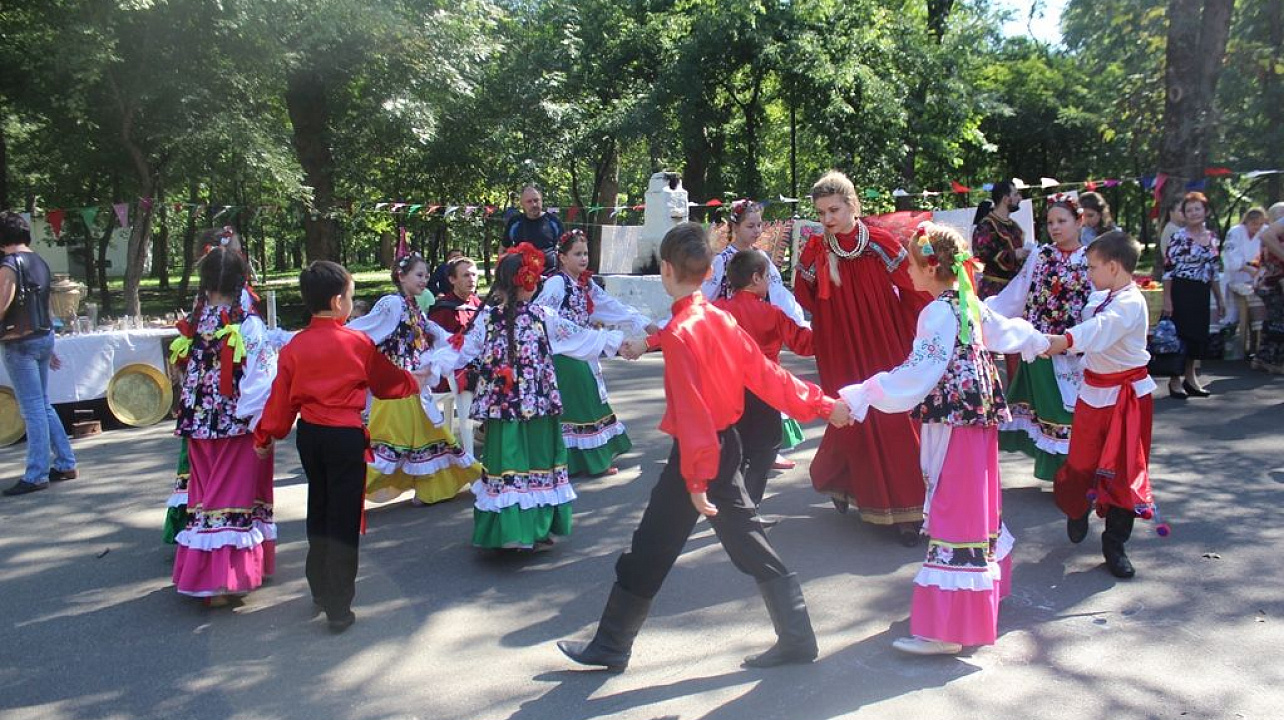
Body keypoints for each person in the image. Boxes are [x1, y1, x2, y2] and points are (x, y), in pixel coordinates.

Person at [558, 222, 851, 673]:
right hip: (714, 452)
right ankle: (613, 643)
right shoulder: (717, 318)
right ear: (709, 269)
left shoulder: (685, 329)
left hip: (703, 457)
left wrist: (696, 479)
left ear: (667, 270)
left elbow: (694, 414)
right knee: (667, 544)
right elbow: (768, 377)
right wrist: (823, 404)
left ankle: (614, 644)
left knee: (696, 544)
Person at [837, 222, 1048, 655]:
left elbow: (919, 373)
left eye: (911, 264)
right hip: (977, 422)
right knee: (976, 504)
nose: (907, 272)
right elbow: (1008, 331)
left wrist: (864, 393)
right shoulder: (968, 303)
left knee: (956, 508)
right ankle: (978, 600)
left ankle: (951, 629)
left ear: (931, 268)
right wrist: (1044, 342)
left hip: (956, 424)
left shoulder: (935, 313)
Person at [254, 261, 428, 633]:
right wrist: (414, 381)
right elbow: (386, 383)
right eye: (351, 296)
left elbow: (280, 401)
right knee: (344, 516)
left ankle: (319, 587)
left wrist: (266, 436)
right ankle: (339, 604)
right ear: (337, 302)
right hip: (345, 437)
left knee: (319, 505)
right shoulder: (355, 342)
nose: (353, 303)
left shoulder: (295, 346)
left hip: (312, 436)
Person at [427, 243, 626, 551]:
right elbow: (580, 338)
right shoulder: (505, 317)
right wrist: (430, 366)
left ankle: (520, 530)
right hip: (527, 407)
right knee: (531, 462)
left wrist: (617, 341)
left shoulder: (524, 316)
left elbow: (579, 337)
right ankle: (522, 530)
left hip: (526, 407)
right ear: (526, 281)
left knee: (517, 462)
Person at [793, 170, 930, 544]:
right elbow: (804, 297)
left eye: (834, 210)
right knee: (850, 416)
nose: (827, 220)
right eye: (821, 213)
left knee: (892, 418)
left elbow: (915, 288)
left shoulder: (881, 243)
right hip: (839, 347)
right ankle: (852, 486)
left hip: (883, 344)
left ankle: (907, 510)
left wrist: (925, 333)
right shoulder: (816, 249)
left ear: (853, 205)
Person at [1045, 231, 1163, 579]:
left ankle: (1115, 543)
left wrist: (1063, 341)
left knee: (1125, 469)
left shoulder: (1129, 304)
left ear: (1113, 267)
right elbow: (1094, 327)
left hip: (1128, 397)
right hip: (1094, 394)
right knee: (1081, 461)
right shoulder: (1102, 297)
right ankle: (1076, 507)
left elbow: (1099, 330)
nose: (1089, 273)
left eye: (1093, 267)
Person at [169, 246, 279, 606]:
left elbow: (184, 370)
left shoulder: (196, 319)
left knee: (204, 495)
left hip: (198, 421)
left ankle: (202, 572)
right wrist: (260, 421)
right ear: (241, 281)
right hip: (234, 422)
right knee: (231, 496)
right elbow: (259, 378)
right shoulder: (246, 323)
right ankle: (221, 579)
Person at [346, 250, 481, 507]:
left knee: (432, 436)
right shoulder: (392, 303)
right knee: (392, 443)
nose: (424, 279)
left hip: (413, 386)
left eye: (427, 275)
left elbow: (436, 333)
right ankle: (347, 489)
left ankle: (431, 489)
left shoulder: (412, 307)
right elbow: (367, 327)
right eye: (419, 275)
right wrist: (337, 335)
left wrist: (460, 342)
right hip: (395, 387)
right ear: (401, 276)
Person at [985, 195, 1092, 480]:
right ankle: (1059, 474)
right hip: (1042, 345)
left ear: (1079, 221)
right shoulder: (1041, 255)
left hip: (1077, 347)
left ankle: (1078, 473)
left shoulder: (1092, 257)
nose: (1055, 227)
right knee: (1052, 409)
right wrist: (984, 314)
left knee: (1077, 410)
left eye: (1062, 221)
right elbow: (1018, 292)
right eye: (1050, 222)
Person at [534, 230, 656, 477]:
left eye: (586, 253)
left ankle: (581, 461)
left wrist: (644, 324)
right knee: (583, 404)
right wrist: (591, 336)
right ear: (562, 257)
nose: (583, 259)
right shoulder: (557, 283)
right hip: (562, 353)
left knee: (590, 401)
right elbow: (543, 315)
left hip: (581, 349)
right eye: (577, 254)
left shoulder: (584, 283)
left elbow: (611, 306)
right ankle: (582, 462)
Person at [704, 199, 809, 470]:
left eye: (759, 225)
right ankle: (733, 452)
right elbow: (704, 296)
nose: (756, 230)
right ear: (734, 227)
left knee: (766, 388)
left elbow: (780, 294)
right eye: (750, 225)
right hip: (731, 333)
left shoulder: (761, 259)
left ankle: (768, 451)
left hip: (761, 331)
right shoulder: (722, 261)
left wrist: (800, 324)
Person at [713, 249, 815, 505]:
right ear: (756, 278)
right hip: (764, 388)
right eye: (768, 276)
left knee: (733, 447)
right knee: (766, 447)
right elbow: (803, 344)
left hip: (726, 390)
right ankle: (750, 503)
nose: (770, 282)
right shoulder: (771, 313)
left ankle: (733, 500)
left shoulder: (717, 310)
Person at [0, 211, 77, 496]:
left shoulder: (10, 264)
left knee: (32, 408)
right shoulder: (39, 261)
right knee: (42, 404)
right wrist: (51, 344)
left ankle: (36, 473)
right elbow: (45, 305)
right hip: (43, 336)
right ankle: (66, 462)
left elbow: (2, 304)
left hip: (20, 341)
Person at [1161, 191, 1224, 398]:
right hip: (1181, 289)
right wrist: (1167, 299)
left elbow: (1213, 270)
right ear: (1184, 214)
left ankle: (1191, 377)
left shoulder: (1213, 238)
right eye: (1189, 210)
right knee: (1180, 336)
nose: (1194, 213)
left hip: (1202, 291)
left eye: (1198, 209)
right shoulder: (1178, 238)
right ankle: (1174, 380)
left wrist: (1219, 298)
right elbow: (1168, 270)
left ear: (1205, 211)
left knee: (1197, 337)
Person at [428, 256, 482, 393]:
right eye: (466, 275)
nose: (471, 279)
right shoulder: (442, 309)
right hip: (449, 373)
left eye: (474, 274)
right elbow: (434, 345)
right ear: (452, 280)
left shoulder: (480, 305)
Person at [972, 180, 1031, 299]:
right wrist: (1014, 255)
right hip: (993, 291)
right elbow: (983, 255)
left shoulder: (1015, 227)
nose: (1019, 198)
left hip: (1015, 289)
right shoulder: (986, 226)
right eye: (1015, 194)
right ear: (1005, 199)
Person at [1222, 207, 1267, 356]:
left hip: (1258, 275)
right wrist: (1247, 268)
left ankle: (1257, 342)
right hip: (1236, 276)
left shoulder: (1265, 231)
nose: (1257, 228)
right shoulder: (1235, 232)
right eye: (1254, 224)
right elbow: (1231, 258)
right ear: (1247, 221)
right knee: (1233, 313)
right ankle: (1232, 344)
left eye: (1260, 224)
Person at [1251, 203, 1284, 374]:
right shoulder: (1274, 239)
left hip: (1270, 283)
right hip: (1272, 284)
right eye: (1280, 215)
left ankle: (1265, 358)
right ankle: (1270, 360)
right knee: (1277, 322)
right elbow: (1273, 265)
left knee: (1275, 320)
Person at [503, 185, 563, 270]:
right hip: (521, 277)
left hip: (549, 276)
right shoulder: (514, 222)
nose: (534, 204)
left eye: (536, 200)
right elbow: (503, 249)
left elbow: (565, 251)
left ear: (541, 200)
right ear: (522, 204)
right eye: (529, 201)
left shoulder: (553, 221)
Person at [1153, 199, 1184, 281]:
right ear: (1171, 212)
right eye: (1181, 210)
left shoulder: (1174, 228)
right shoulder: (1173, 230)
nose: (1184, 213)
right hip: (1176, 275)